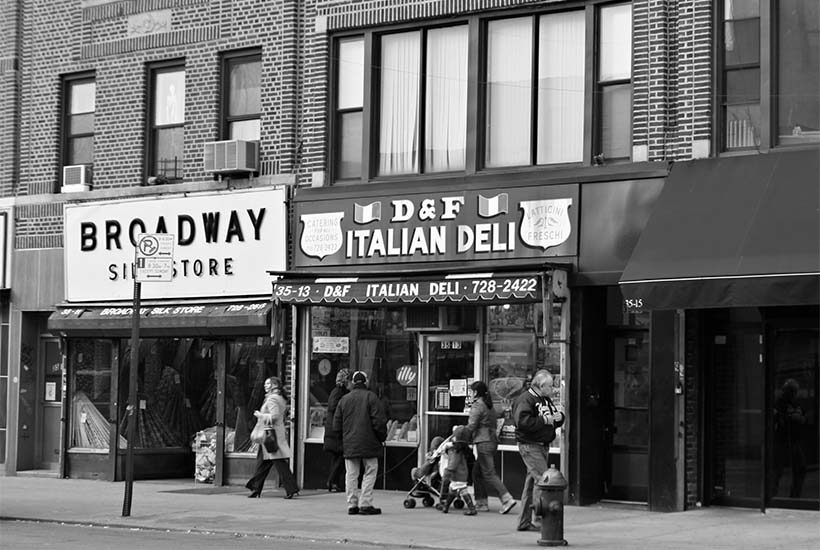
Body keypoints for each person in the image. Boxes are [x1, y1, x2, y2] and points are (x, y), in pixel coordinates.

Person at [512, 370, 564, 531]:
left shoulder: (545, 399)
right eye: (550, 385)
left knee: (532, 484)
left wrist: (559, 418)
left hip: (541, 444)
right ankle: (539, 520)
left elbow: (554, 419)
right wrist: (545, 420)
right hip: (530, 445)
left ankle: (524, 521)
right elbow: (522, 422)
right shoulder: (526, 400)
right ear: (541, 386)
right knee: (544, 481)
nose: (552, 388)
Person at [333, 370, 387, 515]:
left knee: (351, 474)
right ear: (366, 382)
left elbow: (336, 425)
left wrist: (343, 440)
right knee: (370, 471)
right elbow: (379, 422)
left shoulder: (344, 400)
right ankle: (366, 503)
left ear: (352, 382)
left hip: (350, 443)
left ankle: (352, 504)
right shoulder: (372, 397)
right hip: (370, 442)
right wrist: (382, 437)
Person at [466, 380, 517, 514]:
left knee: (489, 473)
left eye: (472, 391)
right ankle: (481, 503)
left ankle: (507, 499)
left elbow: (472, 425)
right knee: (477, 472)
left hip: (483, 442)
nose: (470, 394)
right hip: (492, 441)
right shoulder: (489, 405)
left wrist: (459, 433)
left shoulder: (478, 406)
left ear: (476, 392)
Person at [245, 376, 300, 499]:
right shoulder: (279, 398)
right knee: (264, 463)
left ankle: (290, 489)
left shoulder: (272, 399)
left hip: (270, 436)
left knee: (278, 464)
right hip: (273, 435)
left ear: (274, 385)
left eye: (268, 383)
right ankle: (256, 488)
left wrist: (260, 415)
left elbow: (274, 416)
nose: (265, 386)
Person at [772, 378, 807, 498]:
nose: (794, 394)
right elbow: (783, 419)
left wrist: (796, 416)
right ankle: (772, 496)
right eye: (791, 391)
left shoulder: (794, 404)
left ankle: (794, 496)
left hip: (792, 441)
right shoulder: (779, 403)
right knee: (777, 470)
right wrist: (793, 417)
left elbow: (802, 417)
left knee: (799, 469)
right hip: (783, 441)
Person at [437, 426, 477, 516]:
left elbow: (453, 464)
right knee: (453, 490)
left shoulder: (455, 451)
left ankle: (471, 508)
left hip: (457, 474)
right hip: (462, 473)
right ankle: (445, 507)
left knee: (461, 490)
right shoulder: (463, 450)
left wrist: (447, 472)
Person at [323, 368, 350, 492]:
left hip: (334, 429)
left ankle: (334, 483)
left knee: (337, 457)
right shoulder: (338, 392)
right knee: (340, 457)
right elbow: (334, 407)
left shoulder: (338, 391)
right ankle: (332, 481)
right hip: (336, 430)